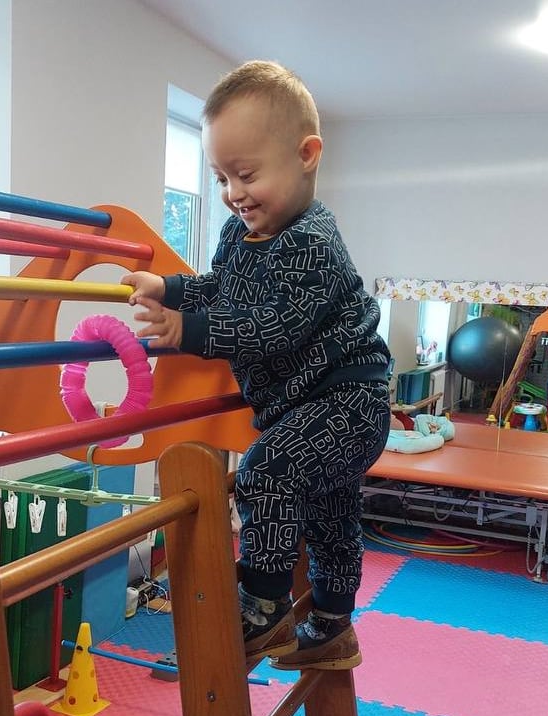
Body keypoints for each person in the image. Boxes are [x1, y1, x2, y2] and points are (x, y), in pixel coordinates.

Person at [123, 60, 391, 670]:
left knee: (267, 472)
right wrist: (171, 289)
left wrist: (187, 331)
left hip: (348, 400)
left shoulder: (313, 243)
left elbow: (275, 326)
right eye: (221, 178)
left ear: (307, 155)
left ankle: (264, 605)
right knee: (329, 516)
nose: (233, 193)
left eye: (246, 175)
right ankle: (333, 626)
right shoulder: (235, 234)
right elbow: (220, 288)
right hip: (302, 405)